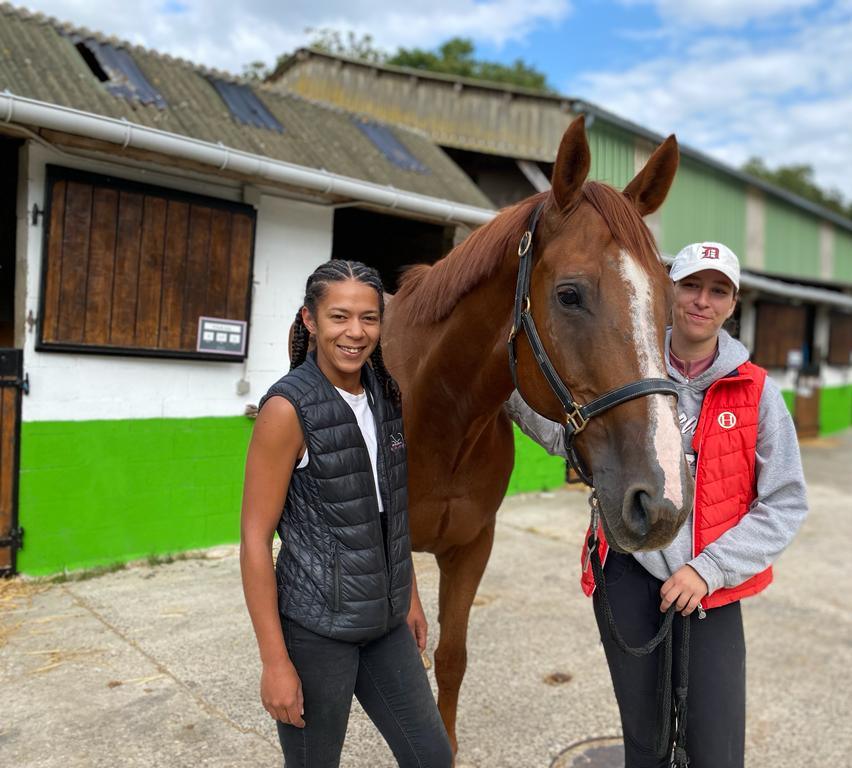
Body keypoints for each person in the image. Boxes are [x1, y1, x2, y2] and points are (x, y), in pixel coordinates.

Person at [506, 242, 808, 768]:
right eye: (691, 285)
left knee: (716, 750)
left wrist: (709, 570)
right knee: (644, 746)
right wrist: (503, 387)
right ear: (669, 289)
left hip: (707, 589)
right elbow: (572, 435)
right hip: (627, 573)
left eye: (718, 291)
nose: (702, 301)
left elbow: (784, 502)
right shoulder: (627, 367)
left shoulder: (757, 393)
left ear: (733, 304)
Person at [240, 260, 451, 768]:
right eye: (339, 317)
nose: (355, 332)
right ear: (310, 321)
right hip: (317, 632)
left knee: (432, 757)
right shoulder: (287, 410)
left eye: (369, 318)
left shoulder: (384, 395)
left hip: (386, 624)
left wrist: (411, 595)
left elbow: (390, 512)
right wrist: (275, 662)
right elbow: (253, 540)